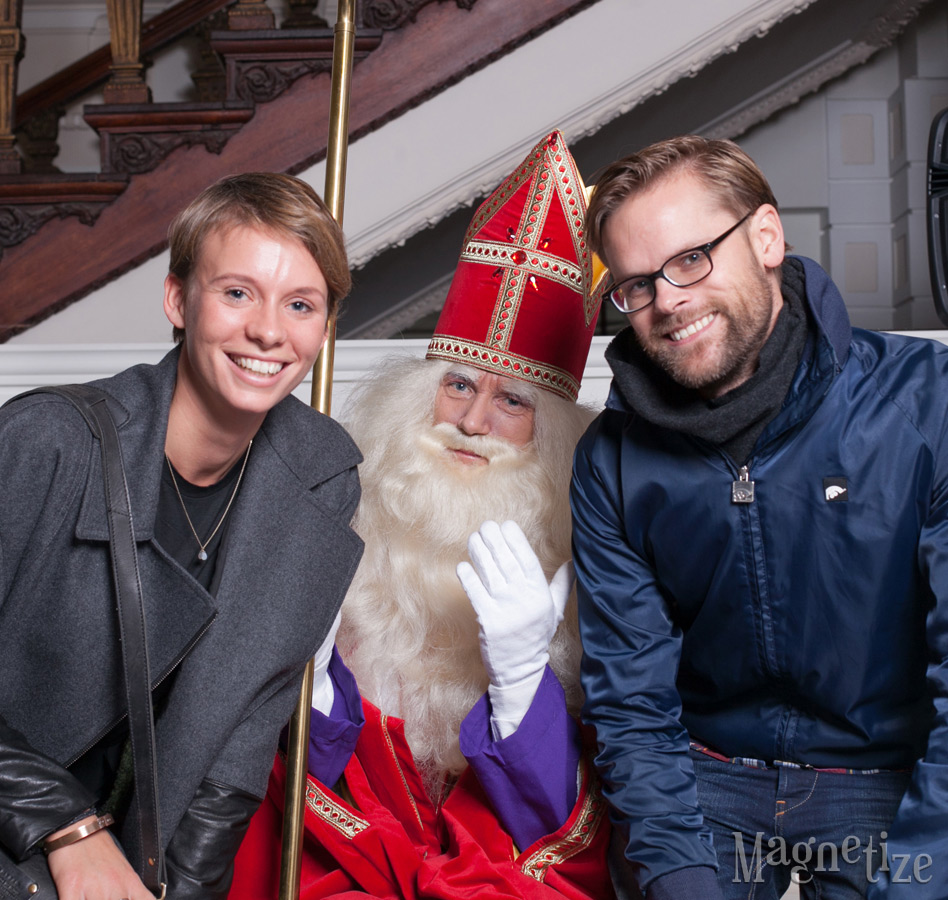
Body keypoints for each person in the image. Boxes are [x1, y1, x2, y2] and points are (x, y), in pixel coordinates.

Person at [230, 131, 616, 899]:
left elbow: (561, 832)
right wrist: (313, 677)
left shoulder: (601, 567)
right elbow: (293, 790)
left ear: (552, 441)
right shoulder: (338, 523)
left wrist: (522, 682)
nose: (472, 422)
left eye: (512, 402)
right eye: (458, 386)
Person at [570, 133, 948, 900]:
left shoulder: (927, 403)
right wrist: (679, 875)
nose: (668, 301)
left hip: (885, 774)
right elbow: (633, 707)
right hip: (706, 773)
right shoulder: (610, 458)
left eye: (690, 259)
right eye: (637, 284)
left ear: (767, 237)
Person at [0, 173, 363, 899]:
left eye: (300, 304)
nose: (269, 331)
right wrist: (68, 831)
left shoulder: (321, 479)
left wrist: (184, 888)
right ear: (177, 299)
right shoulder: (50, 441)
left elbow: (240, 737)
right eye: (238, 293)